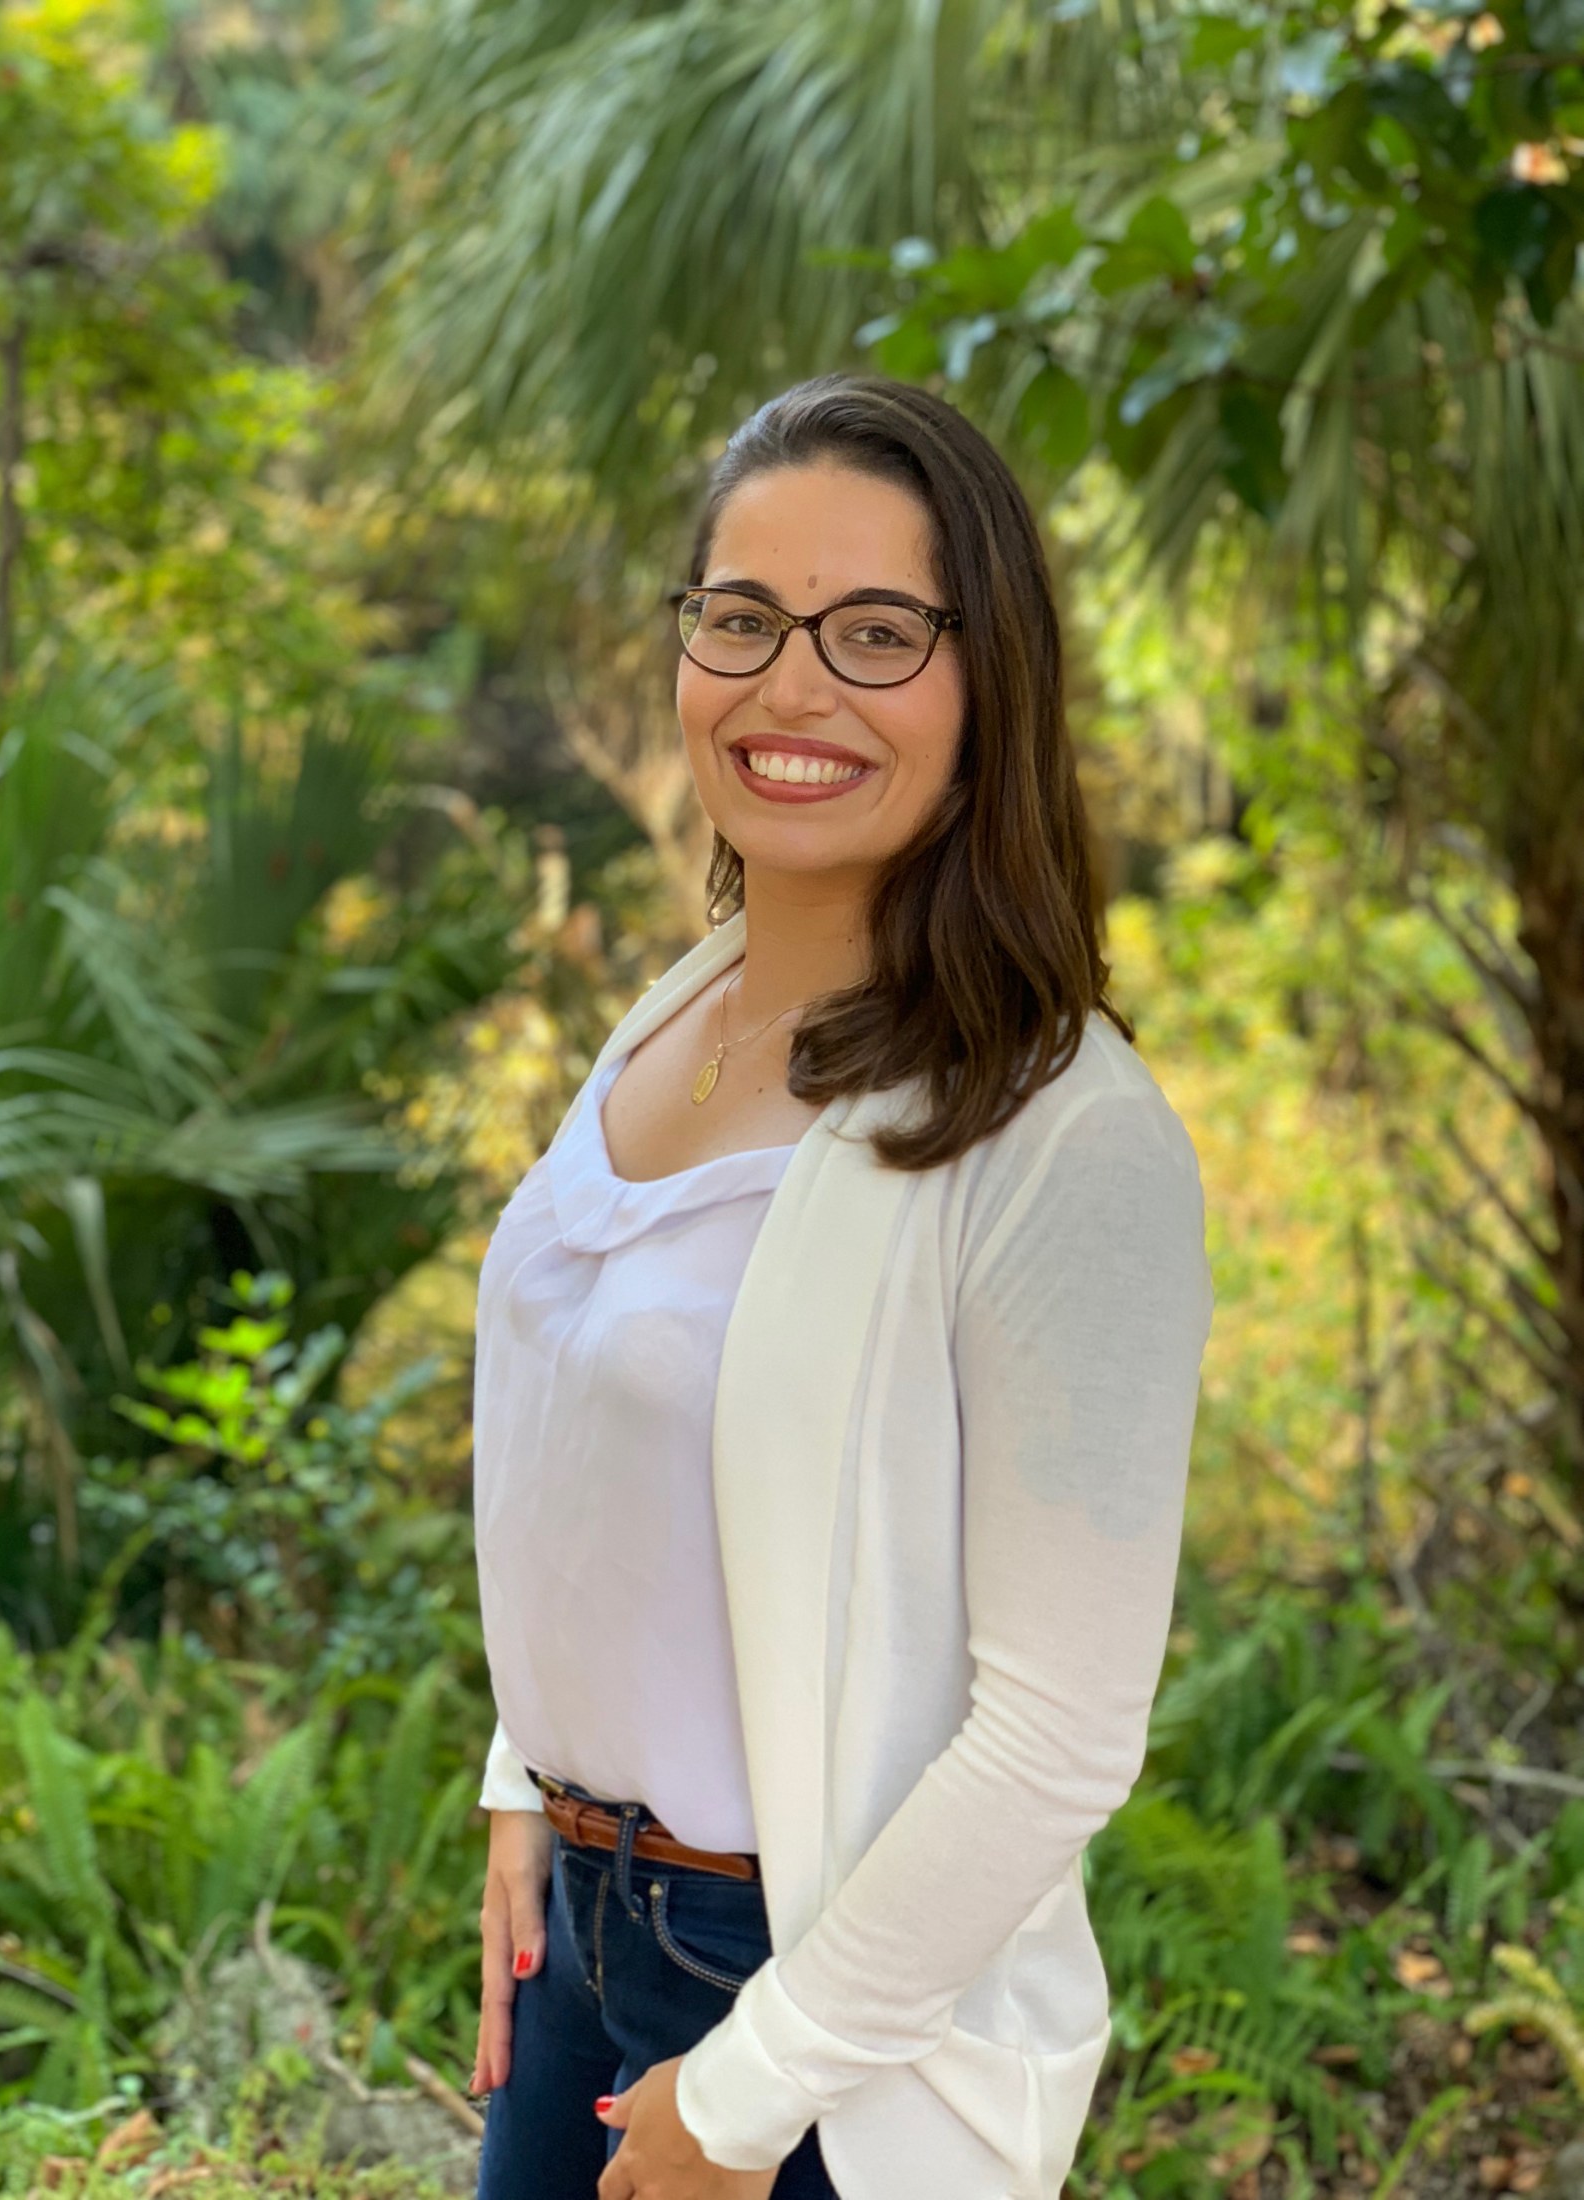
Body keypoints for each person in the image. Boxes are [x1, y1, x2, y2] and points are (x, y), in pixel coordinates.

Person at [467, 372, 1215, 2200]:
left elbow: (1055, 1734)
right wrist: (526, 1784)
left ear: (990, 684)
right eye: (740, 616)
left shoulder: (1053, 1131)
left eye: (876, 632)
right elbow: (613, 1449)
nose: (790, 686)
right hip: (583, 1937)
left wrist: (747, 2090)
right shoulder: (684, 1006)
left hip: (818, 2024)